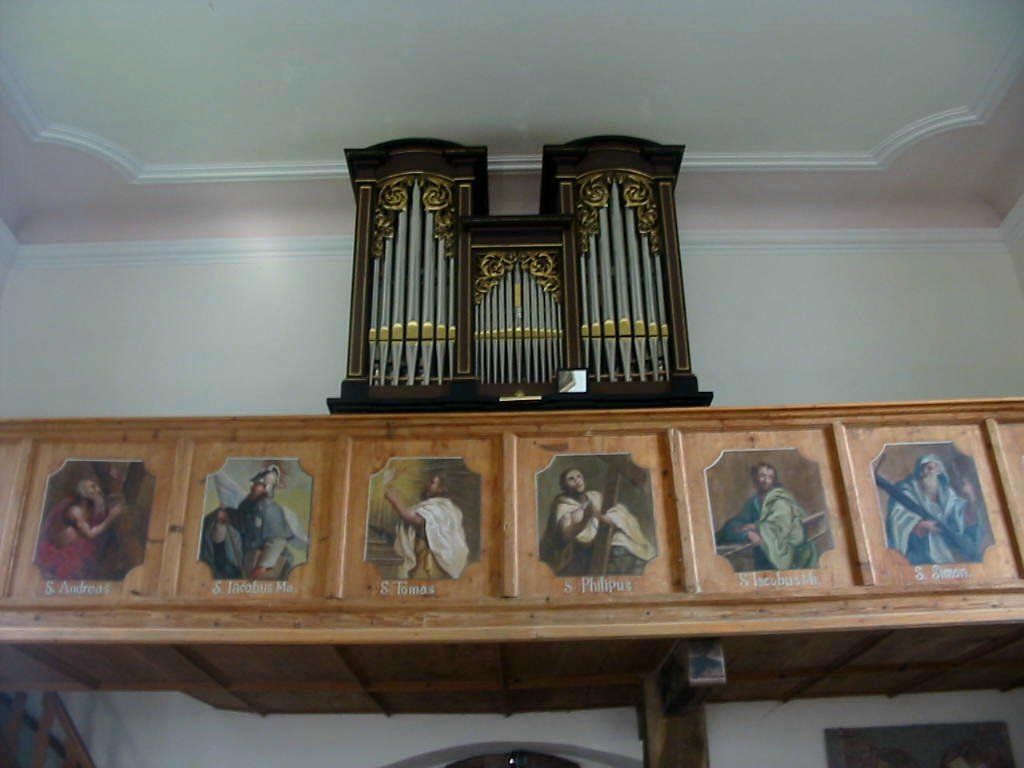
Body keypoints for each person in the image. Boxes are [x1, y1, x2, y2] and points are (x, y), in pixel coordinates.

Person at [539, 467, 656, 576]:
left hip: (605, 541)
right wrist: (585, 519)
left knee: (625, 545)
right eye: (571, 479)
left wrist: (607, 517)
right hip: (582, 553)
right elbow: (567, 534)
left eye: (579, 476)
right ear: (565, 485)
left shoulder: (594, 496)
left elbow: (617, 513)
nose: (577, 481)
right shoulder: (564, 506)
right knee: (615, 552)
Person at [715, 462, 818, 571]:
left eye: (770, 477)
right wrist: (747, 534)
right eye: (762, 476)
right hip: (762, 558)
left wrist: (756, 527)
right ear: (754, 477)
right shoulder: (753, 502)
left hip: (792, 557)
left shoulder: (780, 499)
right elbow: (736, 523)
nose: (766, 480)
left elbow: (781, 526)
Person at [884, 454, 983, 565]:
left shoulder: (946, 491)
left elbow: (958, 509)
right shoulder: (907, 490)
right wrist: (919, 525)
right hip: (919, 549)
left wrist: (970, 498)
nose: (925, 472)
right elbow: (897, 517)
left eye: (929, 468)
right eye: (922, 469)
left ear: (938, 470)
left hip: (945, 548)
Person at [384, 473, 469, 580]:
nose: (427, 485)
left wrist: (395, 501)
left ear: (441, 488)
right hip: (424, 558)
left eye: (432, 483)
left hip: (434, 563)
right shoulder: (436, 507)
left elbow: (417, 520)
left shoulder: (442, 508)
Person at [36, 477, 124, 579]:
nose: (98, 490)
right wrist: (110, 518)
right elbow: (90, 534)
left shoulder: (88, 509)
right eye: (92, 487)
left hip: (75, 545)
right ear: (84, 493)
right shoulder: (76, 511)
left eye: (96, 486)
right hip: (64, 551)